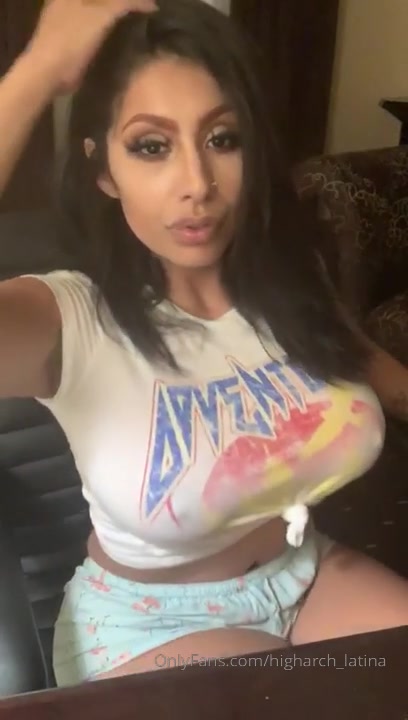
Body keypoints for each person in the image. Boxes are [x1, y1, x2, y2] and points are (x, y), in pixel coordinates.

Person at [0, 0, 407, 688]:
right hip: (150, 627)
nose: (197, 184)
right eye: (151, 146)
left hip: (304, 575)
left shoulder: (289, 280)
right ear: (104, 170)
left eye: (222, 138)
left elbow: (371, 367)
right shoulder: (68, 319)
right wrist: (36, 71)